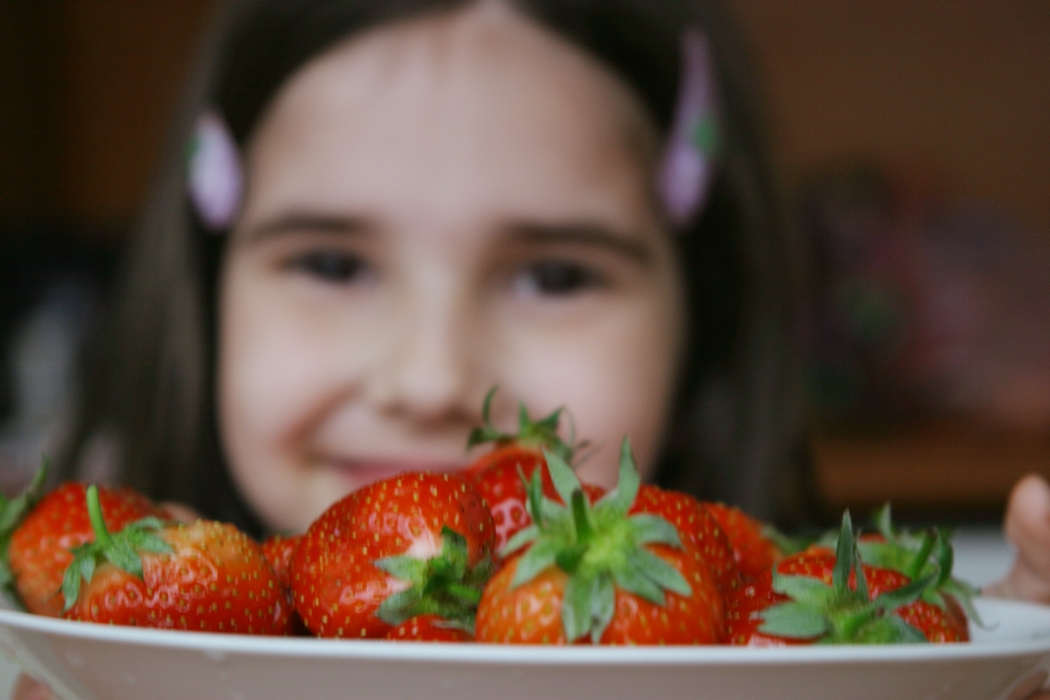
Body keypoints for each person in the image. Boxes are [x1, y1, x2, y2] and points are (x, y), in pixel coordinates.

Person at [37, 0, 1050, 644]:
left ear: (704, 310)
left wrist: (990, 646)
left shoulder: (791, 634)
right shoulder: (93, 624)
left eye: (556, 275)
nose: (434, 377)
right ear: (206, 286)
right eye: (334, 262)